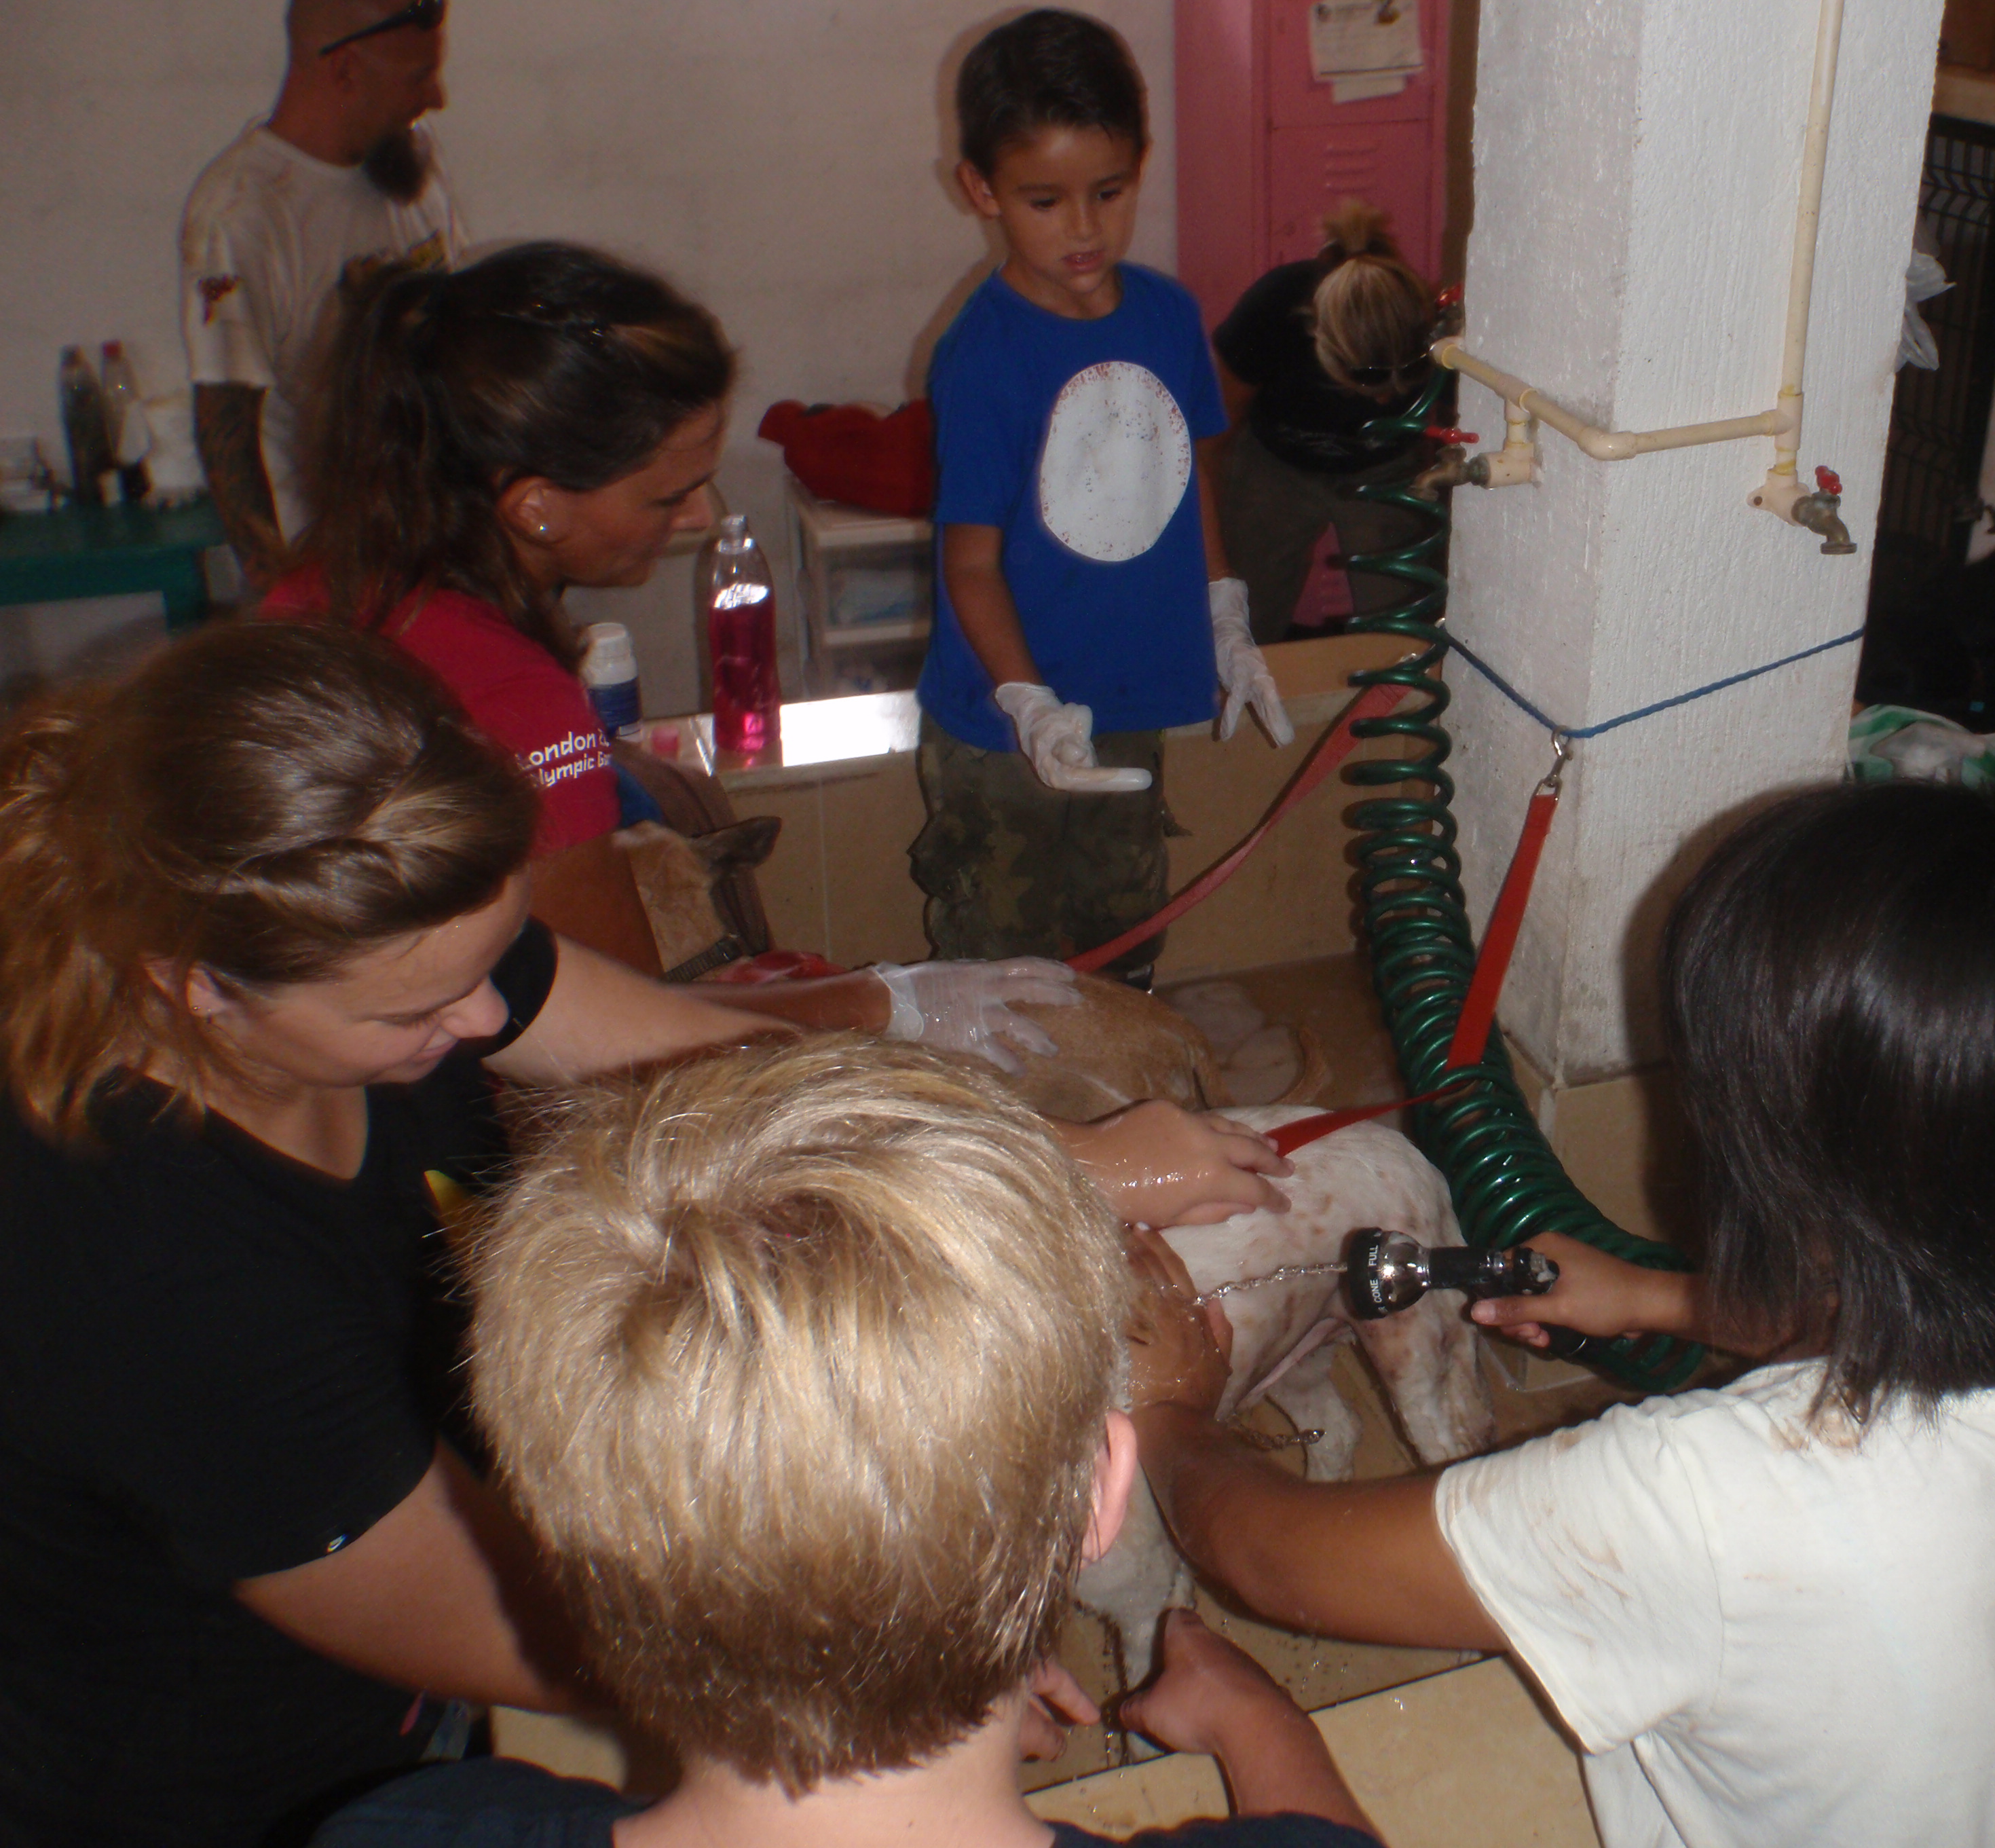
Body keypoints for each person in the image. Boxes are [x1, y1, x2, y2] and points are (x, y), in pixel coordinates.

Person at [0, 623, 1286, 1848]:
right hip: (230, 1771)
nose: (485, 1017)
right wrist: (911, 1659)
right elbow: (519, 1617)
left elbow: (733, 1070)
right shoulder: (142, 1271)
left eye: (493, 957)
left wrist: (1063, 1160)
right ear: (194, 984)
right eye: (416, 1011)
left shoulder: (398, 944)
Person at [1125, 783, 1995, 1848]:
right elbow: (1928, 1306)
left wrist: (1171, 1411)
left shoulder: (1704, 1503)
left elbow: (1270, 1558)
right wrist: (1657, 1296)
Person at [310, 1037, 1384, 1848]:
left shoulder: (399, 1827)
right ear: (1102, 1492)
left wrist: (892, 1682)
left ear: (556, 1545)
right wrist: (1259, 1723)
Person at [265, 238, 1064, 1055]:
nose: (700, 517)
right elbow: (623, 1044)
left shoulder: (317, 588)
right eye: (667, 496)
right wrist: (886, 1004)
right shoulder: (518, 699)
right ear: (535, 506)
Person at [912, 9, 1292, 984]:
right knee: (1003, 970)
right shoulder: (985, 358)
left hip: (1127, 698)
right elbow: (970, 564)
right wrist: (1030, 705)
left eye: (1109, 192)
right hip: (1006, 726)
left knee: (1122, 937)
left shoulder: (1168, 317)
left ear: (1140, 166)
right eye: (1044, 201)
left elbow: (1187, 474)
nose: (1083, 229)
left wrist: (1224, 613)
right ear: (981, 190)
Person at [182, 0, 460, 580]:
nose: (437, 97)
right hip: (334, 564)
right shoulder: (242, 213)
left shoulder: (413, 166)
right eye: (418, 76)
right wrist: (278, 591)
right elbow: (226, 428)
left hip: (435, 542)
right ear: (345, 70)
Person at [1208, 200, 1441, 642]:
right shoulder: (1274, 308)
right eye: (1368, 379)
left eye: (1406, 376)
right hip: (1275, 467)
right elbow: (1214, 430)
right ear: (1320, 340)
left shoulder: (1427, 323)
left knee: (1401, 631)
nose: (1387, 397)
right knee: (1244, 620)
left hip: (1385, 470)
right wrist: (1214, 550)